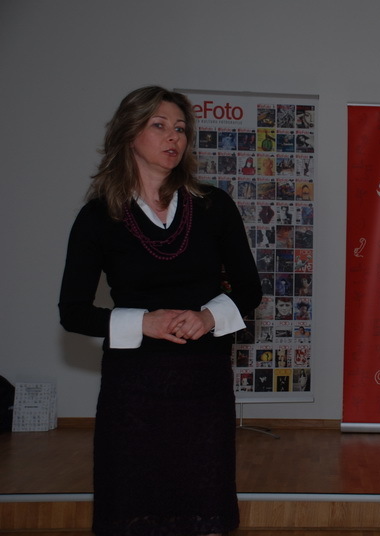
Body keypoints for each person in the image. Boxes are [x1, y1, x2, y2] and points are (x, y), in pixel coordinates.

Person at [58, 86, 263, 536]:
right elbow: (72, 312)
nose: (174, 137)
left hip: (204, 384)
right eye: (160, 125)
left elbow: (250, 289)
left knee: (204, 512)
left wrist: (208, 317)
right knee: (133, 510)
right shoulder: (98, 217)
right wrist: (142, 322)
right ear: (130, 133)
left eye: (181, 129)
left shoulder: (214, 206)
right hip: (133, 388)